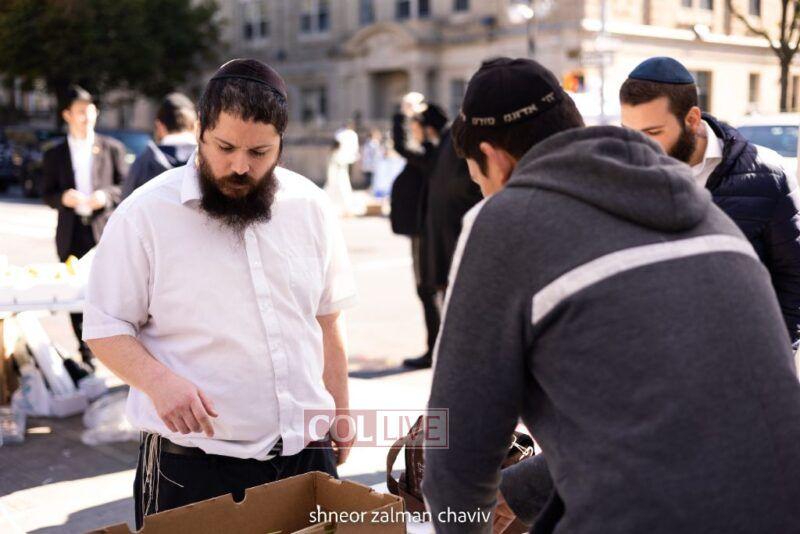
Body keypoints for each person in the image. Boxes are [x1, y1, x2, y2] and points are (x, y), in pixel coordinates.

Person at [423, 57, 800, 533]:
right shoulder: (700, 209)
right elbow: (670, 425)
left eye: (481, 184)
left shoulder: (506, 220)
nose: (485, 196)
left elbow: (457, 454)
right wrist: (518, 492)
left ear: (494, 158)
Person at [82, 59, 357, 528]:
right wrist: (159, 383)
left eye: (260, 152)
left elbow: (328, 319)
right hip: (194, 467)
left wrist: (341, 409)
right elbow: (105, 327)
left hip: (306, 454)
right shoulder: (144, 215)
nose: (240, 166)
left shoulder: (311, 205)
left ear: (281, 144)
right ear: (200, 133)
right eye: (225, 147)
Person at [620, 56, 800, 346]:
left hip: (743, 356)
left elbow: (793, 276)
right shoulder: (624, 176)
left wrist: (777, 353)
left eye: (653, 133)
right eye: (630, 133)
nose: (640, 147)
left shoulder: (769, 175)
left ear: (692, 120)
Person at [41, 85, 128, 368]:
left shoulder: (112, 148)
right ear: (67, 115)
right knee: (73, 294)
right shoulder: (55, 153)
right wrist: (63, 198)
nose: (86, 117)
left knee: (108, 292)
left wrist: (105, 196)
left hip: (103, 230)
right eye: (80, 112)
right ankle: (86, 354)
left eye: (90, 111)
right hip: (71, 230)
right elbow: (47, 193)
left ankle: (112, 350)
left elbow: (124, 187)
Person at [390, 97, 450, 369]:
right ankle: (436, 349)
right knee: (430, 290)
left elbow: (401, 146)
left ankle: (435, 351)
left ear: (428, 128)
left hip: (426, 231)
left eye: (417, 124)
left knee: (427, 289)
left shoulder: (432, 154)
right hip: (425, 228)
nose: (413, 128)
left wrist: (402, 114)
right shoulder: (435, 152)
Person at [122, 92, 197, 198]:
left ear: (159, 126)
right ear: (196, 125)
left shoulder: (143, 163)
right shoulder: (208, 159)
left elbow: (126, 203)